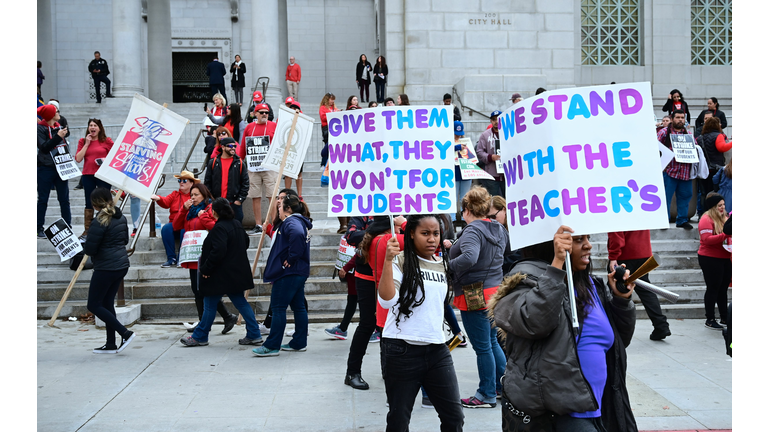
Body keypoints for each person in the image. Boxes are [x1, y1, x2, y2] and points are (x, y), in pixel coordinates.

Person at [490, 225, 638, 431]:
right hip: (561, 413)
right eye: (578, 240)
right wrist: (557, 264)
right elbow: (535, 323)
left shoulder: (592, 285)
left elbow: (617, 345)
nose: (588, 246)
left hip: (602, 405)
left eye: (587, 238)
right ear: (553, 245)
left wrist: (621, 301)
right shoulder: (526, 280)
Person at [378, 214, 465, 431]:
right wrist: (388, 261)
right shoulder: (401, 260)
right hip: (401, 350)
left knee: (454, 418)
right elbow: (387, 300)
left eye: (435, 233)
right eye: (425, 233)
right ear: (411, 234)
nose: (431, 239)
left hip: (437, 349)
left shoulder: (443, 263)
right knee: (399, 421)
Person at [448, 186, 510, 409]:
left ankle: (486, 394)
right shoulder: (498, 228)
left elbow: (470, 257)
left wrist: (449, 265)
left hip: (475, 294)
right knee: (491, 343)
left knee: (483, 347)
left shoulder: (473, 230)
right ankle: (503, 387)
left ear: (466, 209)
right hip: (494, 291)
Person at [180, 198, 263, 347]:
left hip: (221, 275)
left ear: (215, 212)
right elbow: (245, 243)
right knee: (241, 303)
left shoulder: (220, 228)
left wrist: (206, 269)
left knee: (210, 304)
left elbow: (218, 251)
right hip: (235, 273)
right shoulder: (236, 224)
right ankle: (254, 333)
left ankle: (200, 336)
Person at [172, 183, 238, 333]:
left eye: (196, 195)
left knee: (205, 290)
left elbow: (216, 228)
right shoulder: (190, 211)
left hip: (206, 256)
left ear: (204, 194)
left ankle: (206, 324)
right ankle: (224, 318)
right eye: (191, 195)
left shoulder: (210, 209)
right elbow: (176, 226)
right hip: (192, 255)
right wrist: (183, 209)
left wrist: (203, 217)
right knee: (197, 290)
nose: (193, 198)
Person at [252, 194, 313, 357]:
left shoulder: (292, 222)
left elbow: (298, 235)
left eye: (280, 206)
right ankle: (299, 342)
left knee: (278, 308)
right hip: (297, 272)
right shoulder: (297, 221)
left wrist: (291, 258)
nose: (277, 209)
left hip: (288, 273)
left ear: (288, 209)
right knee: (299, 307)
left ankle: (272, 345)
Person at [85, 188, 135, 354]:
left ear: (95, 203)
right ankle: (111, 343)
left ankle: (125, 333)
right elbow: (125, 240)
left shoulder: (99, 221)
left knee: (93, 304)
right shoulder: (120, 217)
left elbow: (90, 249)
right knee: (107, 303)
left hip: (106, 267)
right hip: (121, 265)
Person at [608, 230, 671, 340]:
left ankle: (609, 326)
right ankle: (661, 325)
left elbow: (616, 232)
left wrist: (613, 256)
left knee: (612, 289)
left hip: (626, 253)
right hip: (643, 251)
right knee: (645, 290)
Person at [343, 215, 377, 389]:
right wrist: (377, 231)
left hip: (393, 275)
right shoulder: (362, 212)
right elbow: (351, 236)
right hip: (367, 277)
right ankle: (352, 372)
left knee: (390, 327)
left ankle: (391, 371)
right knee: (367, 324)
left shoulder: (399, 207)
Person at [241, 103, 278, 233]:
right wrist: (240, 162)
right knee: (255, 196)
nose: (264, 114)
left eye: (266, 112)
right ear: (255, 114)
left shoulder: (274, 126)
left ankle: (274, 222)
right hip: (254, 167)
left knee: (272, 195)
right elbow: (243, 146)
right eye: (261, 112)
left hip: (270, 167)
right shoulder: (249, 127)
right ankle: (258, 224)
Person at [75, 118, 113, 240]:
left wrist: (104, 160)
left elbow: (116, 156)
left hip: (103, 174)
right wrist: (87, 144)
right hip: (88, 175)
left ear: (99, 128)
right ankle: (87, 230)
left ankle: (107, 227)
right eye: (90, 125)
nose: (92, 127)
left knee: (105, 201)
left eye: (95, 125)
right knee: (89, 201)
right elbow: (78, 158)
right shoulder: (82, 141)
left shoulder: (106, 141)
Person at [37, 104, 71, 238]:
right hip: (45, 168)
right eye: (57, 111)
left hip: (61, 167)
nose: (59, 113)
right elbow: (44, 147)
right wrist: (58, 136)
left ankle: (68, 225)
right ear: (51, 114)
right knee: (43, 199)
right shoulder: (40, 128)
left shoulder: (58, 125)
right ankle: (38, 227)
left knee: (64, 199)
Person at [698, 193, 731, 330]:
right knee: (713, 288)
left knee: (723, 289)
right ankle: (710, 318)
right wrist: (725, 234)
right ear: (713, 207)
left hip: (725, 256)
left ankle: (724, 317)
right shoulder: (706, 219)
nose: (722, 207)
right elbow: (707, 239)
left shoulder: (726, 218)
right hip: (710, 258)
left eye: (723, 205)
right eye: (719, 205)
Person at [150, 170, 197, 268]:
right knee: (166, 228)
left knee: (185, 228)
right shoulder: (175, 194)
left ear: (191, 183)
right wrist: (158, 198)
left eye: (184, 180)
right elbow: (166, 202)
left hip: (187, 224)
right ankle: (171, 258)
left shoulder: (194, 196)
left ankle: (181, 258)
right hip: (174, 223)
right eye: (179, 181)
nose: (181, 182)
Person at [658, 109, 695, 229]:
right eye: (678, 117)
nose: (680, 120)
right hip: (670, 171)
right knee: (666, 197)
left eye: (682, 118)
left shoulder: (689, 135)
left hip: (685, 172)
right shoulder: (664, 132)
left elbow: (695, 148)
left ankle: (682, 220)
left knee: (685, 196)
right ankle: (664, 220)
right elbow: (655, 148)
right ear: (672, 119)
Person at [204, 137, 249, 223]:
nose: (233, 148)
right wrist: (212, 199)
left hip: (234, 204)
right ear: (223, 147)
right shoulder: (213, 162)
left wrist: (239, 200)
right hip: (217, 204)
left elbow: (245, 183)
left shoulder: (239, 163)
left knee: (235, 230)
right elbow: (207, 182)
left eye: (234, 146)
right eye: (230, 146)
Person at [695, 116, 731, 218]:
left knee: (703, 192)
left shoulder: (700, 137)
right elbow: (721, 148)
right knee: (714, 192)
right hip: (715, 169)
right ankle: (713, 215)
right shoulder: (718, 135)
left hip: (702, 169)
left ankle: (702, 214)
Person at [475, 110, 505, 198]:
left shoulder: (509, 133)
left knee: (508, 200)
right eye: (494, 119)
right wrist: (490, 157)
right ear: (491, 121)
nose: (496, 121)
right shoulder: (485, 135)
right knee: (493, 200)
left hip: (507, 174)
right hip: (492, 174)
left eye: (498, 119)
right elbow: (479, 151)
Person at [452, 121, 472, 222]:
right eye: (455, 134)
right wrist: (456, 147)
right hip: (453, 173)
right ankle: (451, 219)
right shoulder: (448, 141)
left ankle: (465, 218)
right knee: (453, 197)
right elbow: (443, 150)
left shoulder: (465, 141)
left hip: (465, 173)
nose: (458, 136)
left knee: (465, 198)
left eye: (459, 134)